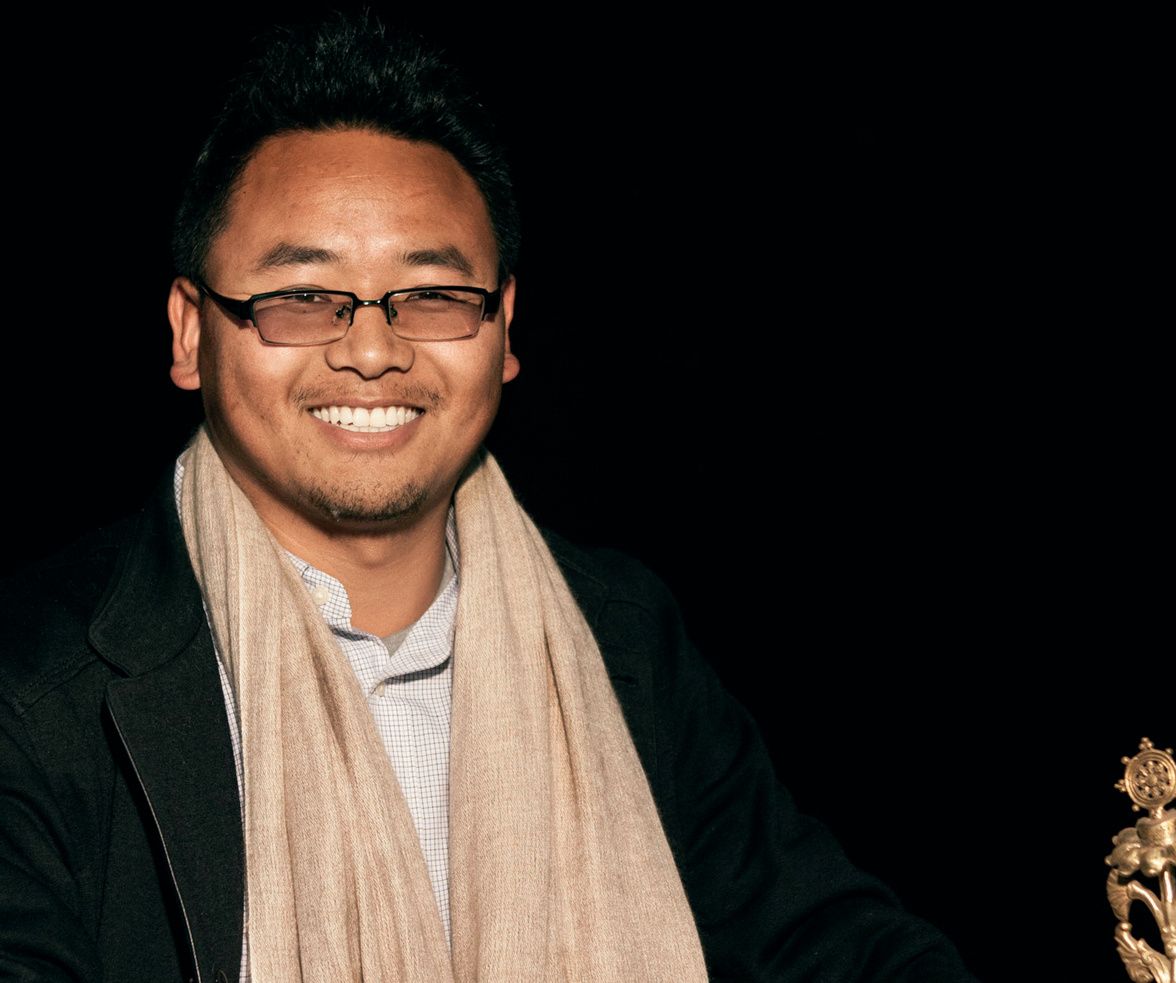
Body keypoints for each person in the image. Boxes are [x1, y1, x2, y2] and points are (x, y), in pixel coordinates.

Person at [0, 13, 976, 982]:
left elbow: (824, 941)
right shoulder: (35, 688)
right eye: (302, 297)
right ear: (188, 332)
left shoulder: (620, 636)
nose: (373, 350)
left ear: (503, 330)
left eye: (431, 296)